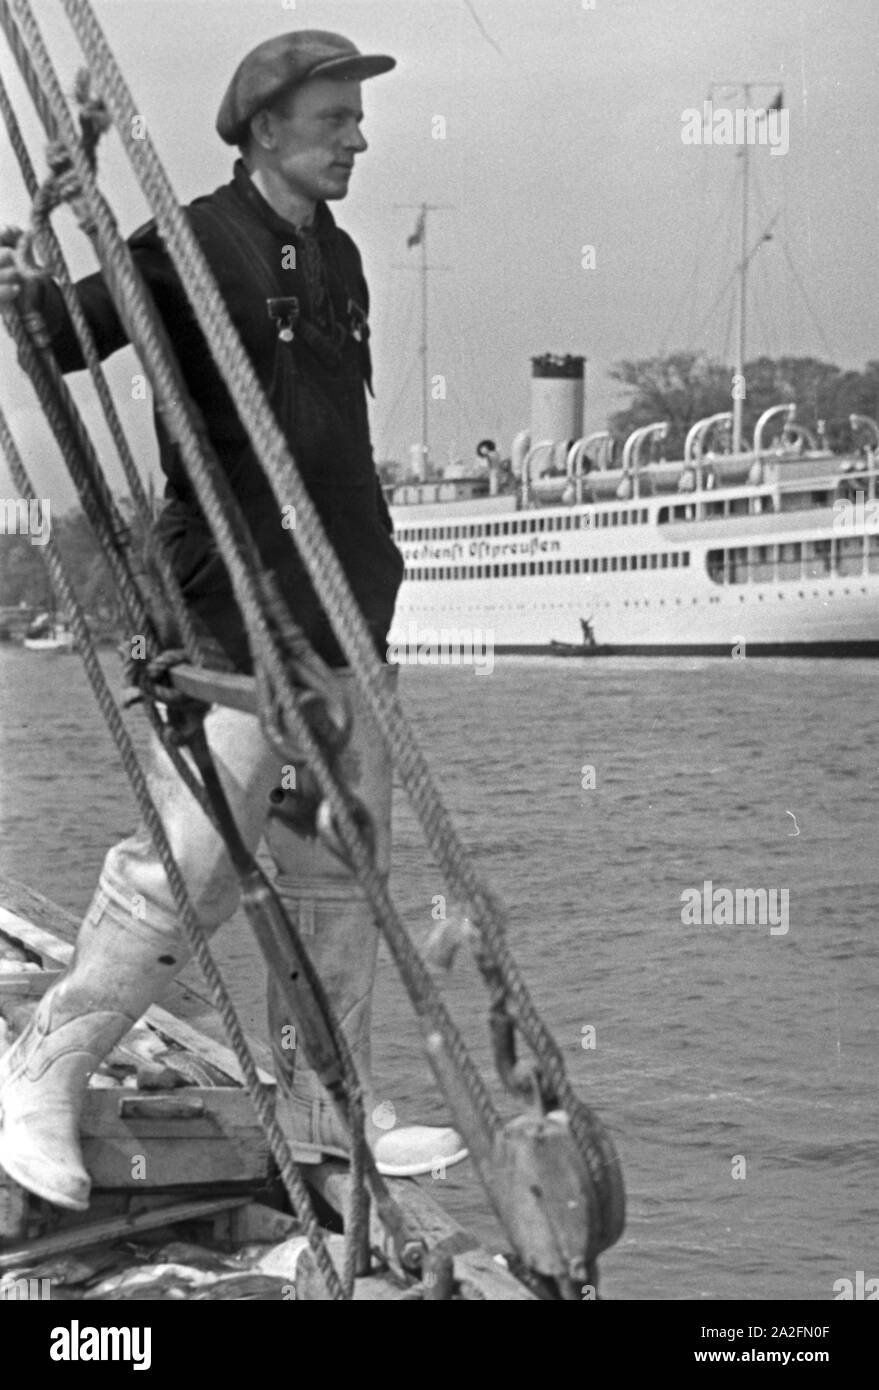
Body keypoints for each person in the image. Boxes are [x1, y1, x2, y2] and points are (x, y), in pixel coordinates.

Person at [0, 30, 466, 1212]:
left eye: (357, 117)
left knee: (333, 871)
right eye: (335, 118)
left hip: (348, 604)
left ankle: (324, 1113)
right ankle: (44, 1070)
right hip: (227, 604)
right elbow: (63, 339)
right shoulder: (188, 241)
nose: (358, 137)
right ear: (265, 130)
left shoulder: (343, 259)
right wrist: (24, 286)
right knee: (198, 857)